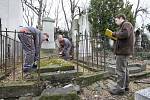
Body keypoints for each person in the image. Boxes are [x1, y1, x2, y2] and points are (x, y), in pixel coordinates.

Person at [109, 14, 135, 95]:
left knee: (120, 71)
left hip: (122, 52)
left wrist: (114, 34)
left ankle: (120, 89)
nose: (115, 22)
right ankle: (125, 86)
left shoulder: (126, 24)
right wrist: (113, 37)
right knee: (125, 70)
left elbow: (125, 34)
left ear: (121, 18)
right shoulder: (123, 26)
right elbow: (123, 37)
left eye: (116, 20)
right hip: (124, 52)